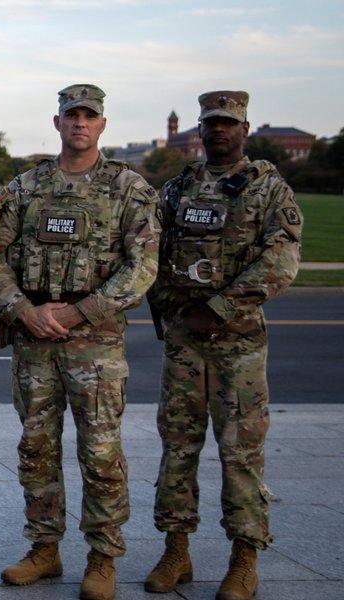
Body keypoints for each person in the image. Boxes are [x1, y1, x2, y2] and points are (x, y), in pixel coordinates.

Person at [0, 84, 160, 600]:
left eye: (89, 116)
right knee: (36, 448)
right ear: (56, 123)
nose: (79, 123)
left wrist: (82, 310)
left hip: (95, 343)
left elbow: (142, 265)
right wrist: (22, 310)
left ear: (103, 125)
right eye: (71, 115)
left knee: (101, 453)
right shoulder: (26, 187)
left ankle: (102, 556)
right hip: (34, 339)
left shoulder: (128, 188)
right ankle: (44, 549)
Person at [143, 91, 302, 600]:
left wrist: (219, 308)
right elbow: (151, 254)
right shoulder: (177, 189)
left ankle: (244, 557)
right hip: (184, 344)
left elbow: (280, 261)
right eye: (211, 123)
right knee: (178, 448)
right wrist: (171, 304)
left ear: (245, 129)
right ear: (200, 128)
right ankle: (176, 551)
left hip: (239, 346)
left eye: (228, 124)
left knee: (241, 454)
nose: (219, 131)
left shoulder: (268, 189)